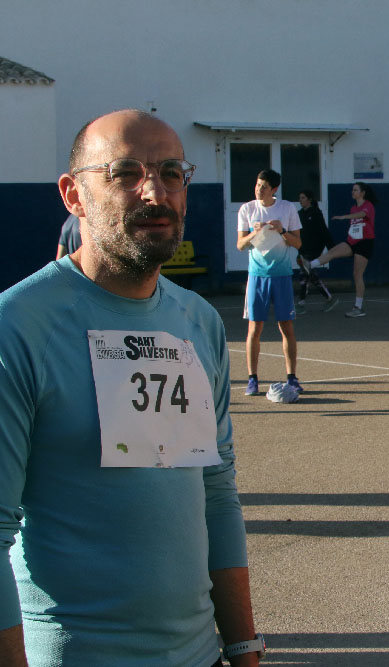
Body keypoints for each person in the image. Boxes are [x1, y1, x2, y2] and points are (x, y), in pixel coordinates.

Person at [0, 109, 261, 666]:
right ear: (73, 194)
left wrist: (242, 646)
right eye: (124, 173)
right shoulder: (18, 326)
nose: (155, 192)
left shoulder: (196, 321)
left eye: (171, 172)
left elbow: (216, 490)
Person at [236, 169, 303, 396]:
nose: (258, 189)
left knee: (286, 327)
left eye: (263, 186)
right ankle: (252, 379)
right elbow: (240, 245)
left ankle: (292, 378)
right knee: (254, 328)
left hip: (282, 275)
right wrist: (253, 235)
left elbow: (298, 243)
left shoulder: (287, 208)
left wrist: (281, 230)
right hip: (257, 276)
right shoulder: (247, 209)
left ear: (274, 189)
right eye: (257, 184)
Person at [308, 182, 378, 317]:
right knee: (333, 252)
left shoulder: (368, 206)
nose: (353, 192)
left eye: (356, 190)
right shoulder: (353, 208)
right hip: (352, 241)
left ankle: (358, 307)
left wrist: (344, 217)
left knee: (357, 274)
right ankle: (310, 265)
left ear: (362, 193)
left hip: (365, 243)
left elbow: (361, 215)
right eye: (352, 190)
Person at [295, 190, 335, 306]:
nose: (300, 200)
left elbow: (324, 230)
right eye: (300, 198)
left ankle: (301, 302)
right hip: (303, 248)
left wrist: (331, 248)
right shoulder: (300, 214)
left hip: (314, 249)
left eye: (303, 198)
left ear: (309, 199)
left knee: (304, 274)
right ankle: (328, 298)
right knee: (311, 275)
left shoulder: (316, 213)